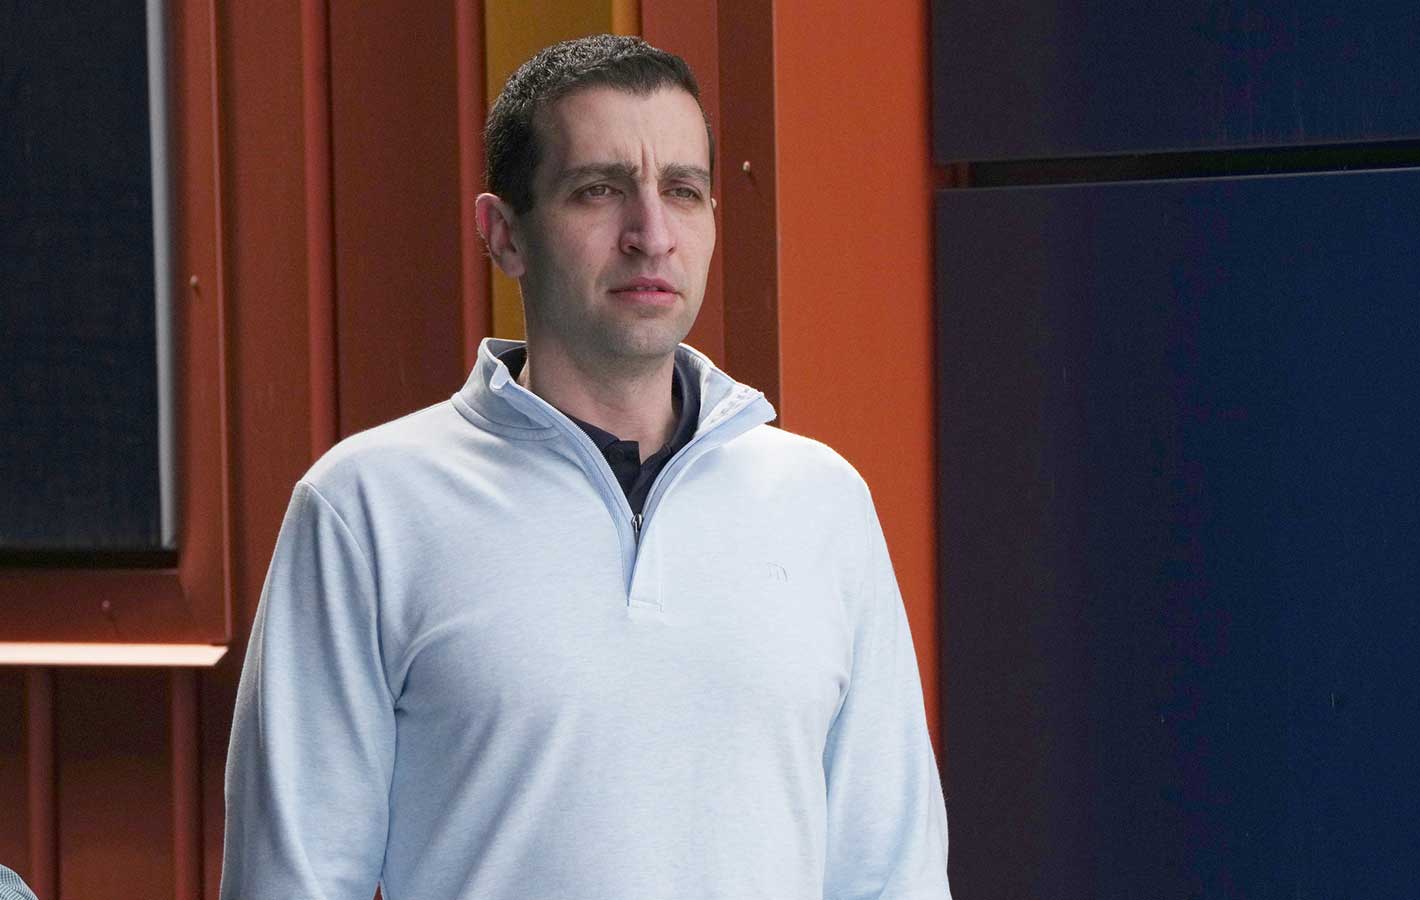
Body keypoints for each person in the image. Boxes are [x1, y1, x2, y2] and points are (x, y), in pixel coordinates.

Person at [221, 34, 950, 900]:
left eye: (682, 191)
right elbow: (293, 881)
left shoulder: (821, 501)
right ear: (503, 235)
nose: (652, 235)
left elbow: (891, 875)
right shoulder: (365, 508)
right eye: (599, 190)